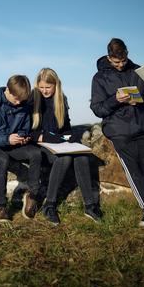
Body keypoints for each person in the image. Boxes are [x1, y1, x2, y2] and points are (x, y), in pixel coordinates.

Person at [90, 38, 144, 227]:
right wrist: (115, 99)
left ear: (127, 54)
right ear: (109, 58)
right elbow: (98, 109)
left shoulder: (140, 71)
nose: (120, 65)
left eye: (123, 61)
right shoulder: (99, 78)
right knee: (135, 172)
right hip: (119, 132)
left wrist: (139, 100)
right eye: (116, 62)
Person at [31, 68, 101, 225]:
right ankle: (49, 205)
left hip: (57, 142)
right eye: (41, 87)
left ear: (56, 85)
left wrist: (71, 137)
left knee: (82, 156)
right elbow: (31, 133)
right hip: (40, 145)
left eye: (48, 87)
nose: (44, 91)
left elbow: (66, 129)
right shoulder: (33, 99)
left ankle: (90, 205)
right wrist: (57, 138)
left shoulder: (61, 99)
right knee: (66, 157)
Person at [0, 74, 43, 222]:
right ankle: (1, 206)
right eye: (16, 99)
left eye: (22, 99)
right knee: (2, 159)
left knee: (36, 153)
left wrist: (24, 137)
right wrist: (6, 139)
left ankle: (32, 196)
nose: (19, 103)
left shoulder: (23, 104)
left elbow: (25, 128)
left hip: (12, 143)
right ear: (8, 91)